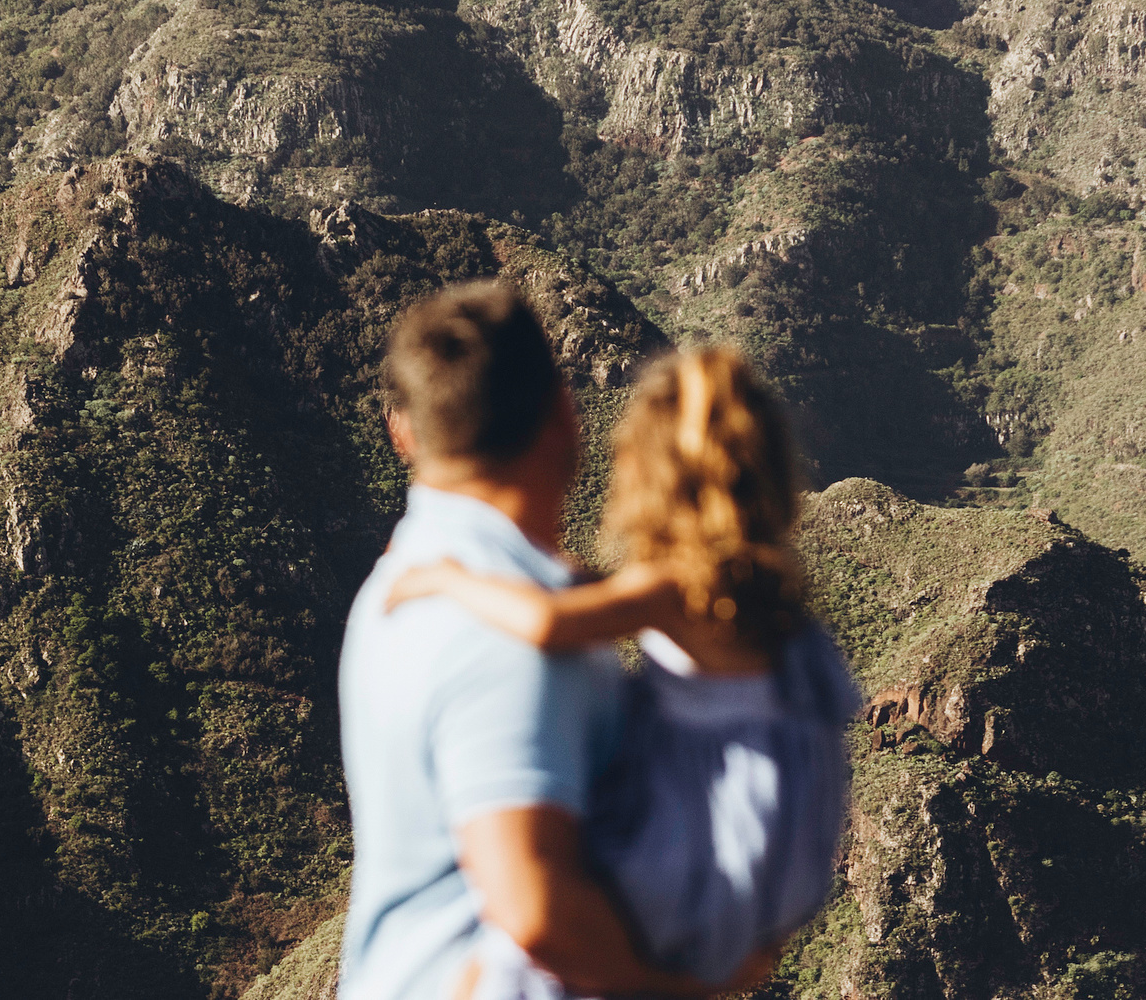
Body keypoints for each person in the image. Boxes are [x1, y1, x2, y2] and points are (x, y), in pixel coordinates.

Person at [386, 346, 858, 1000]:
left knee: (506, 952)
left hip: (697, 830)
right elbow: (609, 598)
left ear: (654, 478)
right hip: (780, 830)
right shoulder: (771, 598)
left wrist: (450, 578)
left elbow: (550, 621)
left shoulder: (673, 584)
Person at [340, 283, 755, 1000]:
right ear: (565, 415)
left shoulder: (394, 584)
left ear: (403, 433)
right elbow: (534, 908)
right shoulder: (505, 639)